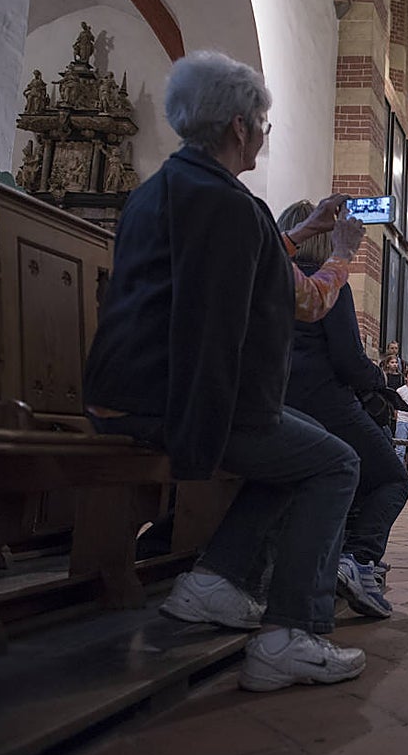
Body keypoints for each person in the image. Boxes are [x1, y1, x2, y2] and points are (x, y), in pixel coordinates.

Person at [83, 51, 365, 691]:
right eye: (262, 122)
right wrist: (341, 251)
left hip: (124, 390)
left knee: (301, 456)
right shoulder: (231, 206)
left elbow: (245, 261)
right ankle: (292, 633)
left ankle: (216, 581)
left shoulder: (163, 188)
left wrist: (301, 232)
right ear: (239, 126)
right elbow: (299, 301)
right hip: (178, 400)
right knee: (336, 462)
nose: (265, 134)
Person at [277, 199, 408, 622]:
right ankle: (358, 559)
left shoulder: (272, 279)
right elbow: (349, 360)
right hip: (325, 401)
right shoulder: (328, 283)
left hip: (281, 402)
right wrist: (382, 383)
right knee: (391, 477)